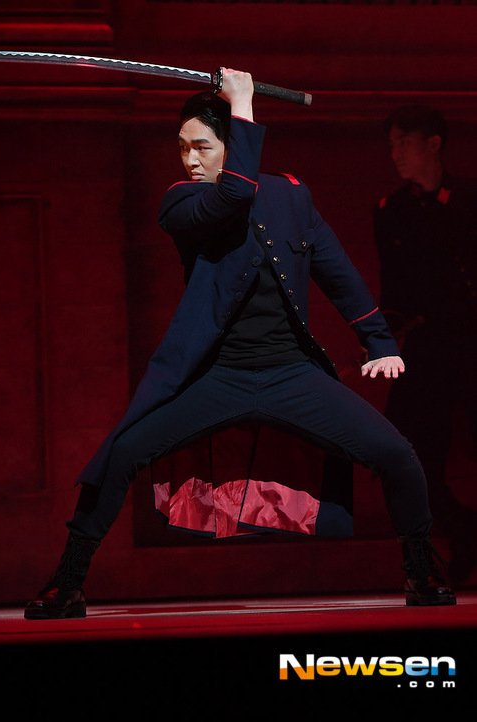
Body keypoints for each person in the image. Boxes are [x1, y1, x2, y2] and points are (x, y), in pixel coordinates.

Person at [25, 70, 455, 619]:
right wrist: (243, 104)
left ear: (232, 144)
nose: (189, 159)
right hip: (217, 376)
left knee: (397, 455)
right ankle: (67, 581)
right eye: (183, 147)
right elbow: (233, 195)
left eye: (202, 146)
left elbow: (337, 272)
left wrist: (379, 342)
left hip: (292, 374)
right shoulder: (181, 201)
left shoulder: (292, 196)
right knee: (122, 453)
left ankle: (420, 569)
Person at [374, 104, 477, 584]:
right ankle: (465, 530)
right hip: (428, 345)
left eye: (403, 142)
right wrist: (380, 340)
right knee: (404, 452)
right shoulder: (392, 211)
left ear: (433, 144)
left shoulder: (469, 200)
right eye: (391, 144)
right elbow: (394, 290)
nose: (395, 153)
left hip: (472, 341)